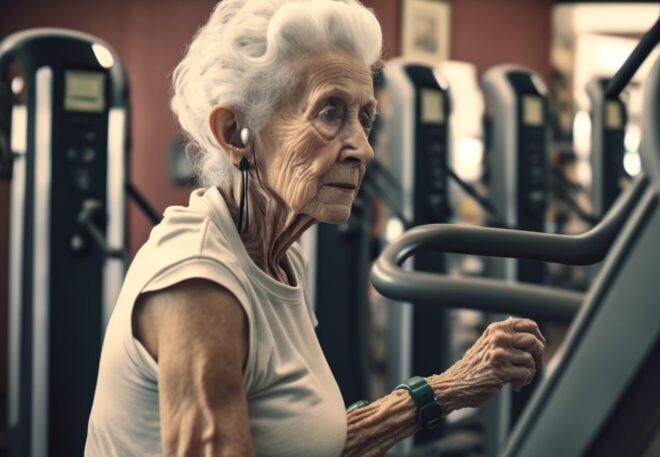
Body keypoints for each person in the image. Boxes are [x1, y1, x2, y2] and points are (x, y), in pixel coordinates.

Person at [85, 1, 545, 456]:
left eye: (365, 118)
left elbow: (303, 441)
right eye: (330, 113)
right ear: (235, 132)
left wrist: (450, 387)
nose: (363, 149)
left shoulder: (282, 258)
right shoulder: (199, 284)